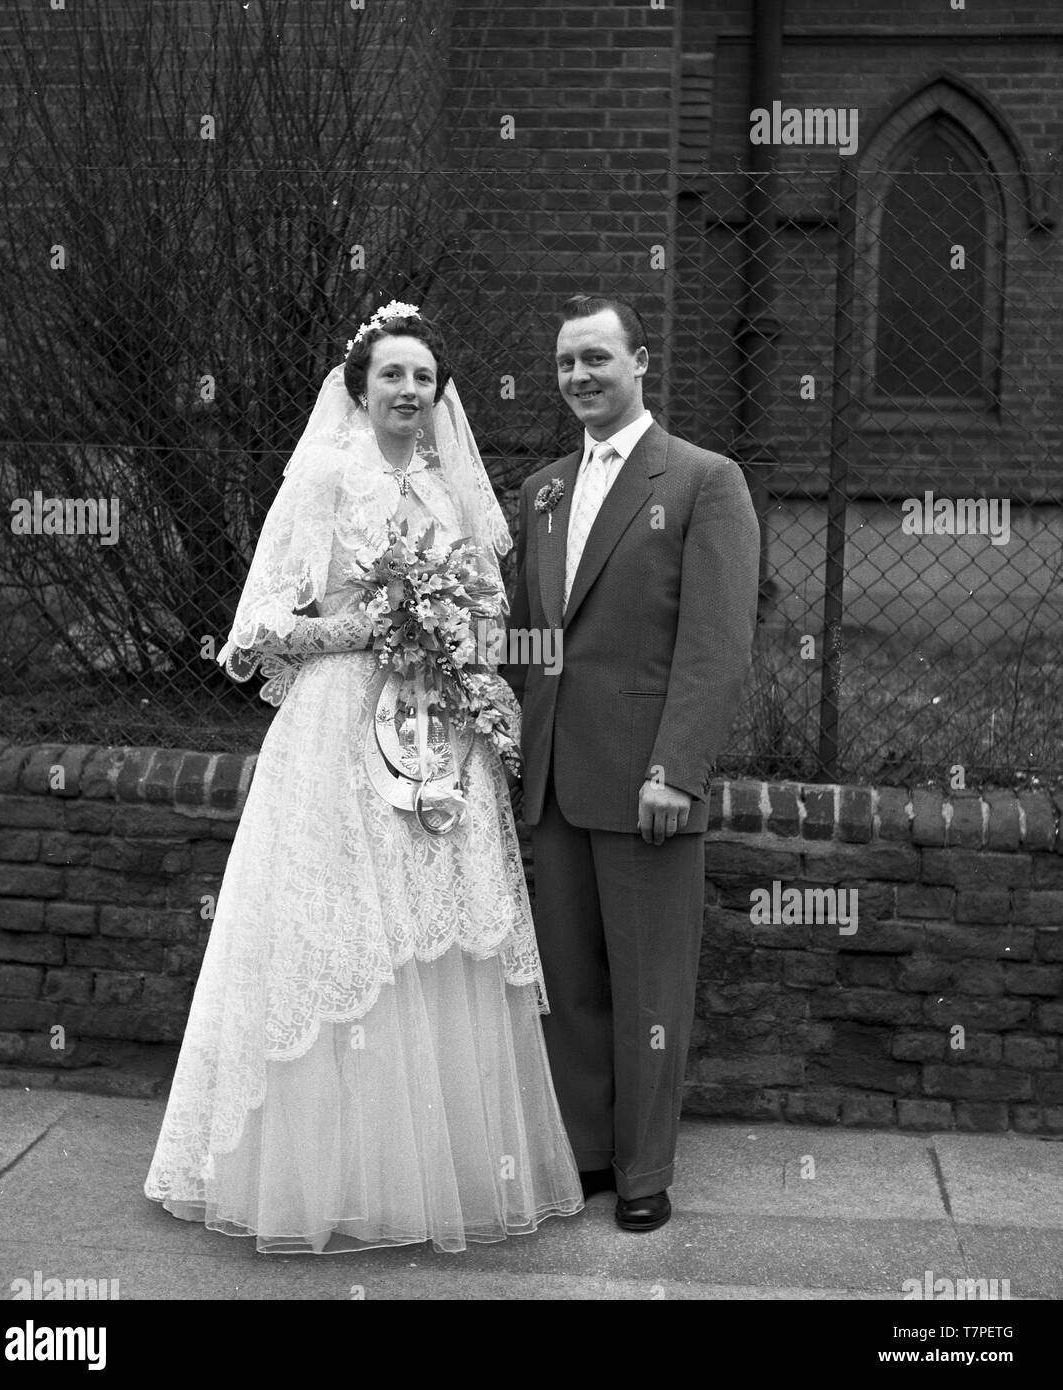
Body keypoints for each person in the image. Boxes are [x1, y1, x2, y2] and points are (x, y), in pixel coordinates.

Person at [144, 304, 583, 1254]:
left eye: (423, 378)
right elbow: (258, 628)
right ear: (360, 386)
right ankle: (320, 1170)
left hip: (435, 732)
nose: (409, 392)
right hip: (339, 729)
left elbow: (484, 619)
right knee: (338, 924)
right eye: (392, 375)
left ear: (439, 394)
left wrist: (462, 663)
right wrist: (366, 627)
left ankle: (435, 1172)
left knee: (431, 933)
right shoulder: (324, 480)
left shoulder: (449, 490)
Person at [504, 293, 760, 1232]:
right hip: (555, 783)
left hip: (647, 782)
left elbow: (717, 643)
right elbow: (535, 639)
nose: (580, 376)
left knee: (650, 985)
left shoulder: (703, 481)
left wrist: (678, 769)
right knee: (567, 982)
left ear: (640, 362)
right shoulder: (540, 491)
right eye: (567, 361)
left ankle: (645, 1169)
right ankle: (586, 1153)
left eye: (598, 359)